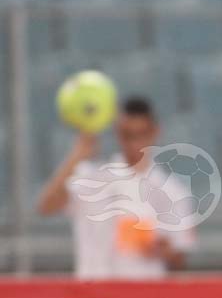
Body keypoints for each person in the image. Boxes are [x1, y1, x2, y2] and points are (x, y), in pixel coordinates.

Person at [37, 97, 194, 279]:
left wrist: (165, 251)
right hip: (93, 292)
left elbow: (180, 259)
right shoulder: (93, 177)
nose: (134, 142)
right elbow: (46, 206)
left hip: (142, 296)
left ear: (155, 132)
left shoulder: (173, 191)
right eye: (128, 134)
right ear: (118, 133)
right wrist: (77, 156)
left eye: (141, 134)